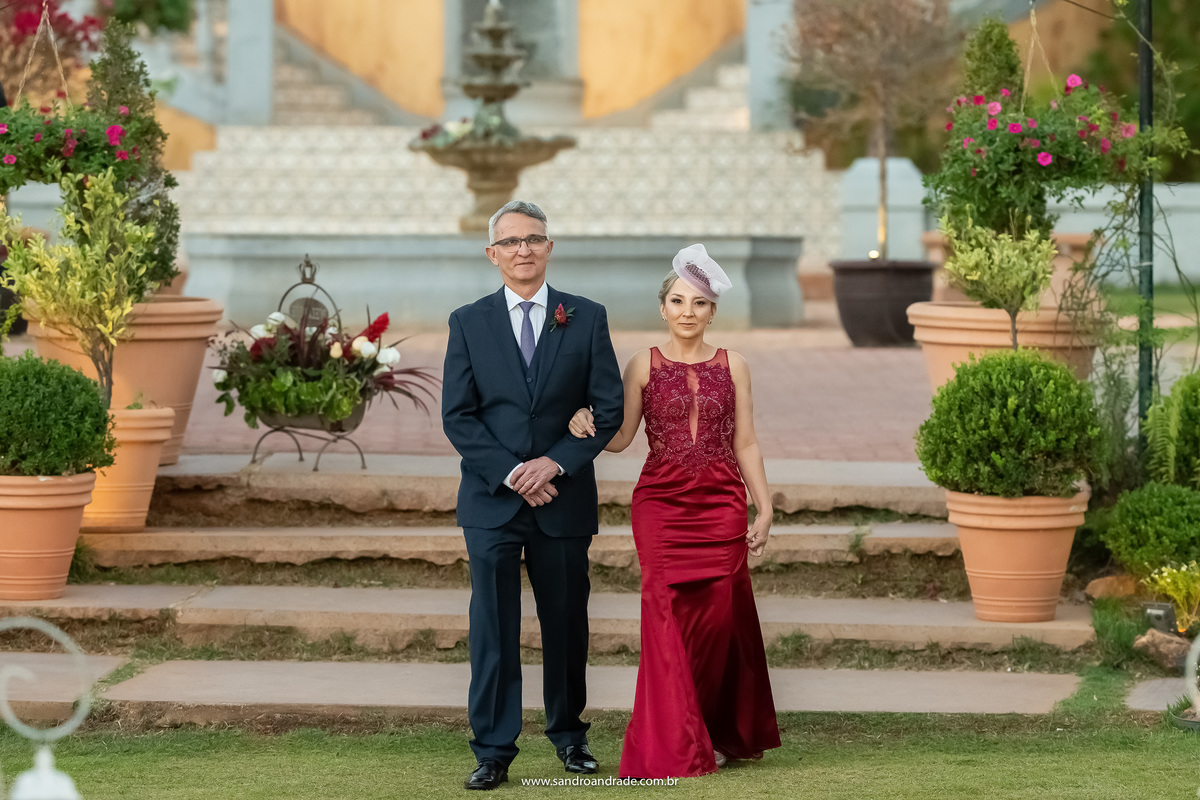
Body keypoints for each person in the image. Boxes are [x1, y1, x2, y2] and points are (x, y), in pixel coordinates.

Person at [568, 244, 780, 779]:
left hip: (723, 504)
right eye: (679, 301)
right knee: (664, 620)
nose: (688, 311)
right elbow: (620, 438)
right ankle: (674, 743)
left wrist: (765, 506)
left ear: (712, 312)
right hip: (660, 506)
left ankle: (709, 727)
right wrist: (581, 423)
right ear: (663, 307)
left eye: (700, 303)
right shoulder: (642, 363)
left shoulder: (736, 365)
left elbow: (746, 442)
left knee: (717, 623)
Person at [442, 200, 624, 791]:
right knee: (492, 626)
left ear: (550, 248)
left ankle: (570, 737)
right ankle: (493, 749)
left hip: (563, 500)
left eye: (535, 239)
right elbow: (459, 417)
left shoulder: (587, 318)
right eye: (512, 241)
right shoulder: (467, 322)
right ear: (492, 253)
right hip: (492, 502)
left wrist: (554, 465)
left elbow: (609, 408)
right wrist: (515, 472)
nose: (524, 250)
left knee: (566, 622)